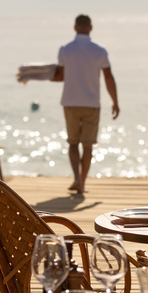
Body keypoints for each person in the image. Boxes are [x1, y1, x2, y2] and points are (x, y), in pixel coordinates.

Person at [51, 14, 119, 194]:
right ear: (90, 28)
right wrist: (115, 101)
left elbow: (60, 76)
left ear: (75, 28)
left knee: (73, 143)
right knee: (87, 145)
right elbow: (108, 77)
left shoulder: (65, 50)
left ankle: (76, 178)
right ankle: (83, 183)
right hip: (92, 104)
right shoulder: (99, 51)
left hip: (71, 102)